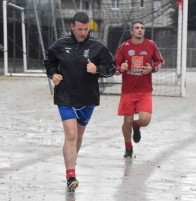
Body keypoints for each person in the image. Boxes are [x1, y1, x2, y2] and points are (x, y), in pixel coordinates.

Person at [44, 12, 116, 192]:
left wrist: (97, 69)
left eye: (86, 29)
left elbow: (112, 67)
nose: (83, 33)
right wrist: (53, 74)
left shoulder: (97, 47)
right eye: (79, 29)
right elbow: (48, 62)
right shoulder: (60, 45)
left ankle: (71, 164)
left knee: (78, 136)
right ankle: (71, 175)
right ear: (72, 27)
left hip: (87, 98)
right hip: (65, 96)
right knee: (70, 134)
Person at [115, 20, 164, 158]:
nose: (140, 30)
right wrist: (120, 69)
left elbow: (161, 61)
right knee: (127, 121)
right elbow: (114, 67)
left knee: (145, 120)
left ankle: (136, 127)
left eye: (142, 28)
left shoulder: (151, 44)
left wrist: (152, 69)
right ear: (131, 31)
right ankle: (128, 147)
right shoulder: (124, 47)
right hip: (128, 91)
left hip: (144, 91)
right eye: (137, 28)